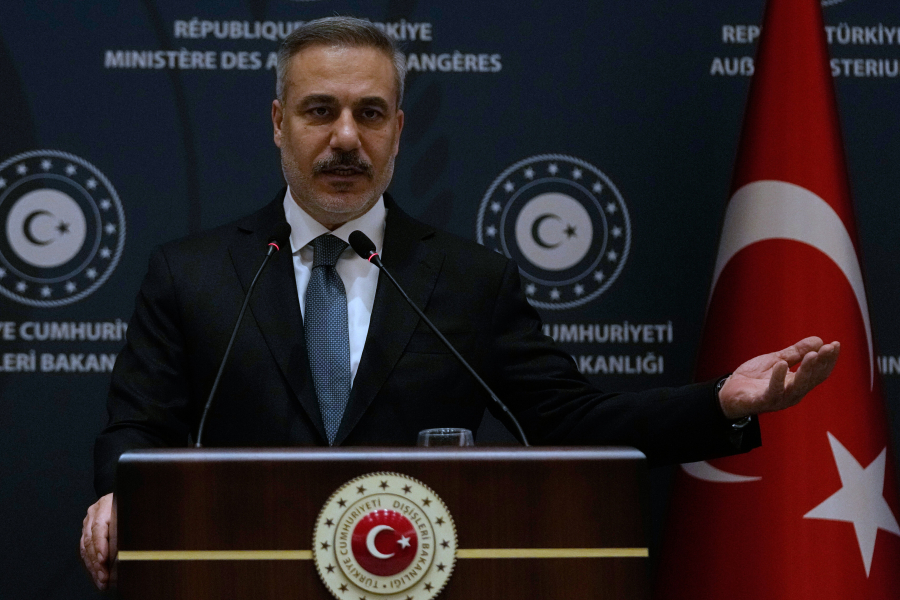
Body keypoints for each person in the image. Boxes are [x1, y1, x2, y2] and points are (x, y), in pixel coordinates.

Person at [79, 16, 840, 591]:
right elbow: (138, 425)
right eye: (319, 111)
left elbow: (570, 422)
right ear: (279, 123)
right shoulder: (193, 274)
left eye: (369, 113)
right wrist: (117, 490)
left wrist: (722, 402)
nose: (345, 138)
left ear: (399, 129)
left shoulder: (472, 280)